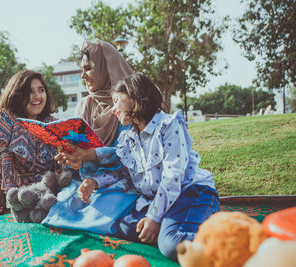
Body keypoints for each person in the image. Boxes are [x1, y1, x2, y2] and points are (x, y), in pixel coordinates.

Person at [77, 73, 220, 261]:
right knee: (126, 226)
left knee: (171, 245)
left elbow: (173, 176)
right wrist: (94, 182)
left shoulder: (169, 125)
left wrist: (154, 217)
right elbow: (123, 175)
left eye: (117, 101)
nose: (113, 109)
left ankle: (224, 238)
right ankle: (173, 225)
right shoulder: (128, 139)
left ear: (136, 97)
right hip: (160, 201)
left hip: (190, 193)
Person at [0, 70, 58, 218]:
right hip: (15, 189)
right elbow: (1, 161)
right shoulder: (8, 118)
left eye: (41, 90)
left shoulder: (52, 122)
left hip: (46, 187)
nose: (37, 96)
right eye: (30, 92)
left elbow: (57, 166)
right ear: (18, 94)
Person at [55, 39, 133, 176]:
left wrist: (90, 155)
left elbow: (129, 152)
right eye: (82, 69)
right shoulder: (84, 106)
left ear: (106, 68)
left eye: (88, 68)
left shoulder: (128, 104)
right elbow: (79, 155)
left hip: (121, 181)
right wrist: (72, 157)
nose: (82, 76)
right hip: (85, 181)